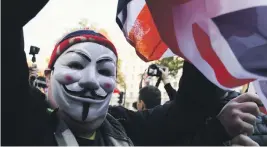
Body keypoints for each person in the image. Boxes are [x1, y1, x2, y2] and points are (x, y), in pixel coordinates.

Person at [1, 2, 260, 145]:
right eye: (76, 65)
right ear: (48, 76)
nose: (91, 80)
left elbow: (187, 110)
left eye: (104, 70)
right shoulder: (21, 124)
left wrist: (204, 19)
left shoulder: (127, 125)